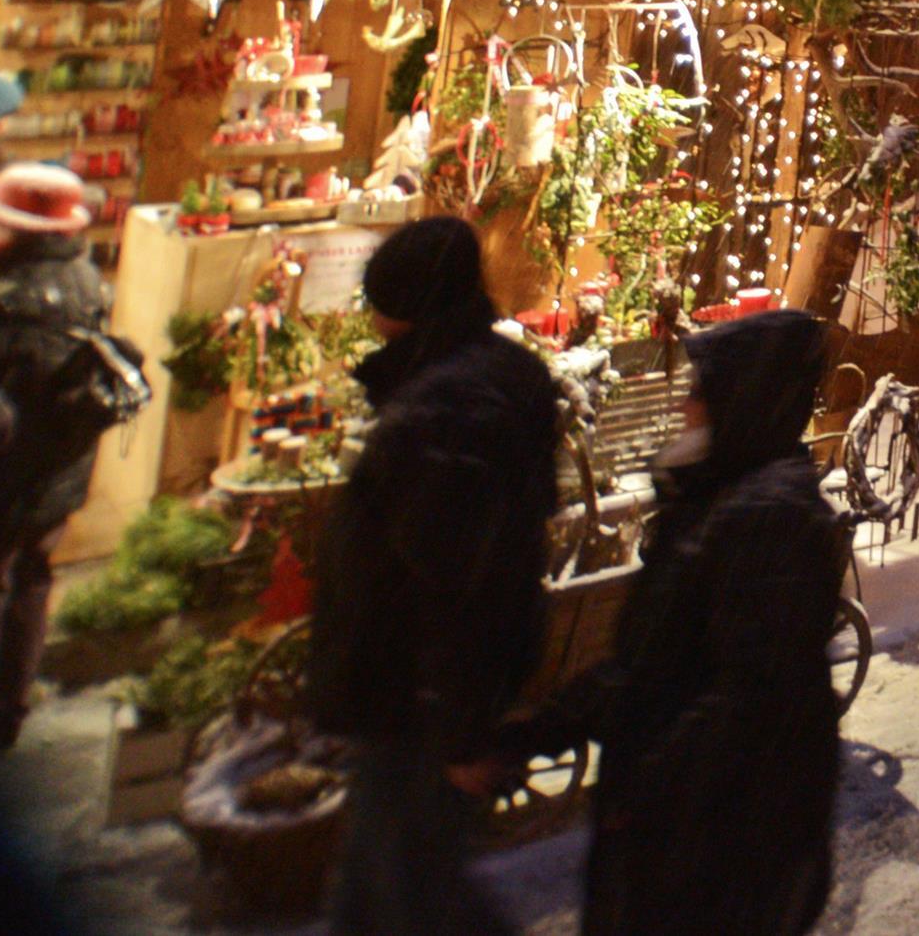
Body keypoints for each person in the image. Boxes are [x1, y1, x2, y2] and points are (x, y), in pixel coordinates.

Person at [514, 310, 848, 936]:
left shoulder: (770, 521)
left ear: (740, 400)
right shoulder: (716, 499)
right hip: (680, 854)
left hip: (714, 866)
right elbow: (650, 667)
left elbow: (745, 710)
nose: (688, 407)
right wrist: (537, 732)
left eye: (702, 391)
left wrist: (647, 792)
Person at [303, 217, 558, 936]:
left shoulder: (451, 405)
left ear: (406, 303)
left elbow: (458, 581)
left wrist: (459, 728)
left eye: (378, 296)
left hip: (413, 697)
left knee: (413, 891)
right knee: (387, 885)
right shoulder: (468, 379)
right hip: (408, 692)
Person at [0, 165, 120, 764]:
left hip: (0, 472)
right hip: (63, 466)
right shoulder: (89, 280)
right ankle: (11, 711)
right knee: (34, 579)